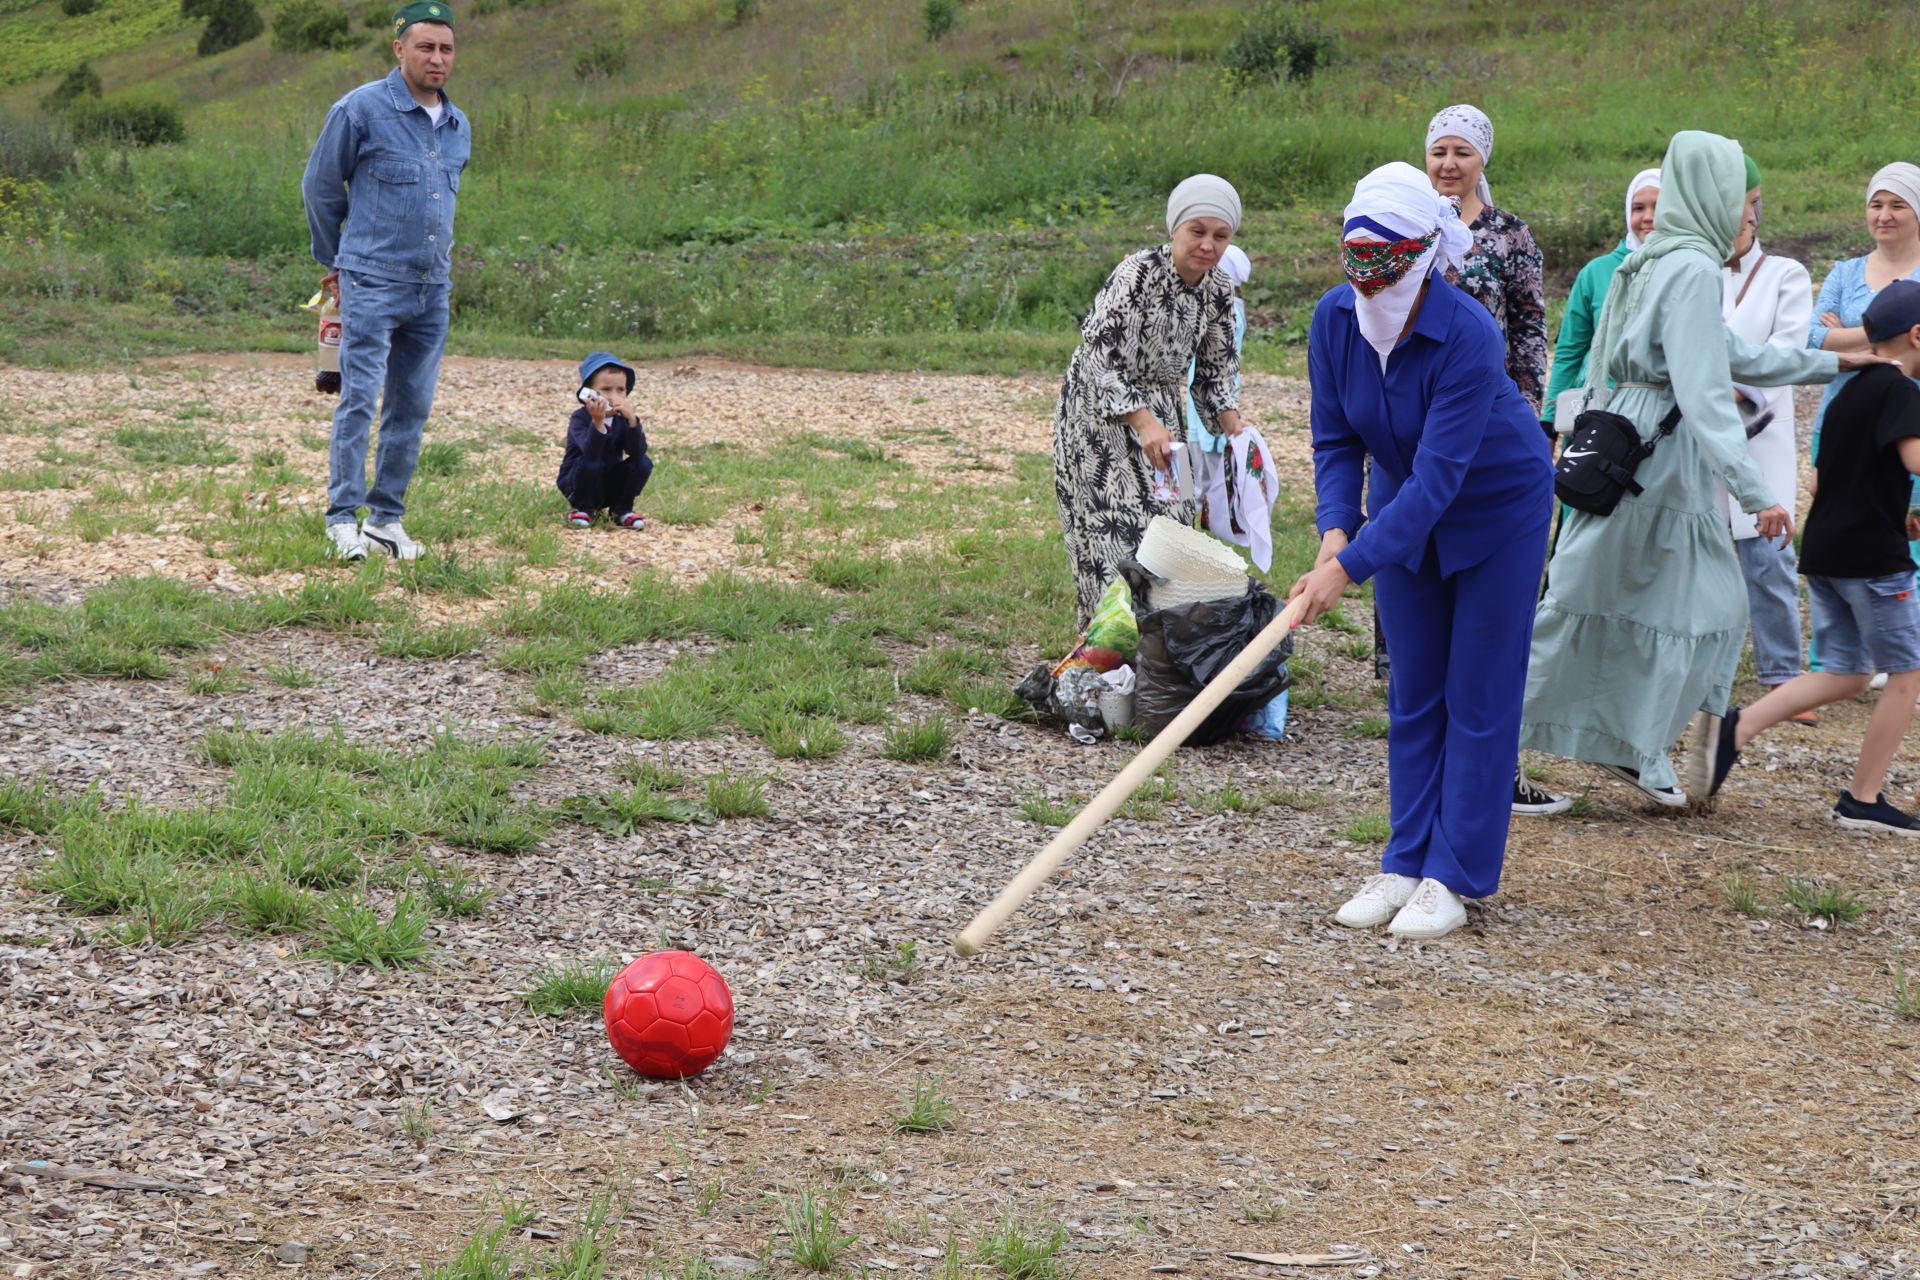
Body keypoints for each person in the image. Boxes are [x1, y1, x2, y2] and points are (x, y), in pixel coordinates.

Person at [1520, 131, 1869, 810]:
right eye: (1745, 200)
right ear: (1711, 196)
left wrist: (1833, 362)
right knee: (1597, 604)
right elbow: (1707, 392)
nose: (1750, 216)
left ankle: (1628, 745)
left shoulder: (1661, 257)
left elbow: (1728, 350)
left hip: (1645, 451)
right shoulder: (1689, 268)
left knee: (1628, 602)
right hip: (1654, 460)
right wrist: (1758, 490)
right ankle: (1497, 751)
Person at [1294, 162, 1554, 941]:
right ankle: (1406, 858)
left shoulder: (1466, 330)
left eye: (1385, 260)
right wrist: (1336, 530)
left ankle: (1455, 874)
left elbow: (1441, 479)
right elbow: (1336, 438)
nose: (1368, 278)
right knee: (1413, 690)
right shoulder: (1333, 321)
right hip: (1401, 514)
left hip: (1497, 505)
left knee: (1477, 692)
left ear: (1422, 253)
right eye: (1355, 257)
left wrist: (1348, 566)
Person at [1693, 281, 1920, 834]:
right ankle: (1863, 799)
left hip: (1826, 551)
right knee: (1909, 673)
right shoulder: (1901, 393)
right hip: (1874, 557)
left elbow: (1823, 477)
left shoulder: (1850, 390)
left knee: (1846, 670)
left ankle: (1736, 729)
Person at [301, 2, 469, 562]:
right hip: (371, 280)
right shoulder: (359, 110)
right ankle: (341, 519)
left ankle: (387, 520)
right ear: (399, 49)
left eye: (445, 48)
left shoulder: (457, 123)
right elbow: (320, 188)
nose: (437, 58)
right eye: (426, 47)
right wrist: (336, 262)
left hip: (431, 287)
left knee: (411, 407)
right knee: (358, 399)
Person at [1053, 174, 1247, 627]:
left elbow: (1217, 368)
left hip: (1163, 411)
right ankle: (1110, 657)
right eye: (1197, 231)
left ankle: (1162, 651)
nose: (1207, 245)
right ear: (1173, 230)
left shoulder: (1218, 288)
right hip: (1099, 413)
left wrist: (1234, 426)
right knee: (1114, 532)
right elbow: (1098, 356)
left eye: (1220, 236)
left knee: (1176, 523)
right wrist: (1142, 423)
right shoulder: (1137, 273)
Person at [1721, 157, 1818, 717]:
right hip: (1705, 434)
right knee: (1708, 552)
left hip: (1762, 428)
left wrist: (1723, 389)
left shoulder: (1787, 274)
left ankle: (1783, 676)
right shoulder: (1697, 272)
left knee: (1769, 554)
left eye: (1743, 213)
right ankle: (1710, 669)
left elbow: (1786, 353)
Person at [1807, 164, 1920, 579]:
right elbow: (1810, 339)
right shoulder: (1845, 272)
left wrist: (1849, 338)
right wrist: (1889, 340)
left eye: (1898, 205)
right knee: (1843, 534)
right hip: (1842, 420)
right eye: (1876, 205)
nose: (1884, 215)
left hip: (1910, 426)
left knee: (1908, 542)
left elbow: (1829, 338)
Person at [1425, 104, 1549, 415]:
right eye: (1439, 152)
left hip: (1486, 402)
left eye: (1462, 153)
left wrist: (1528, 410)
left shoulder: (1510, 233)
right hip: (1414, 397)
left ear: (1482, 160)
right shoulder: (1407, 226)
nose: (1448, 164)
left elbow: (1528, 326)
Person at [1542, 168, 1660, 431]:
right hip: (1596, 413)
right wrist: (1549, 421)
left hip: (1656, 419)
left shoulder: (1684, 269)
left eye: (1658, 206)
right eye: (1638, 208)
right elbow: (1569, 352)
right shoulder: (1596, 273)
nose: (1648, 217)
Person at [1185, 244, 1252, 513]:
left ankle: (1213, 510)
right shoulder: (1217, 307)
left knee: (1210, 450)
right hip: (1197, 394)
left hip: (1215, 395)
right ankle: (1193, 506)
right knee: (1196, 448)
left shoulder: (1228, 313)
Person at [559, 353, 651, 530]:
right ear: (589, 392)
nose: (613, 396)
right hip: (577, 483)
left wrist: (632, 421)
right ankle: (582, 508)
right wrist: (598, 422)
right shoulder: (580, 418)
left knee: (643, 462)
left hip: (608, 483)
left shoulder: (622, 419)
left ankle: (621, 510)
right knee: (591, 462)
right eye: (606, 389)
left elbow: (636, 451)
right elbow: (591, 452)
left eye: (620, 390)